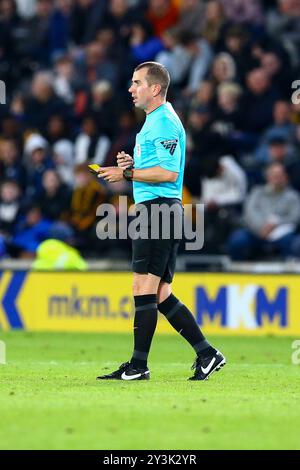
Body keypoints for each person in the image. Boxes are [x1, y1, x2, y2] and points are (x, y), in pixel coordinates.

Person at [96, 61, 226, 381]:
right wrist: (133, 163)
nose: (131, 88)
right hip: (153, 209)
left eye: (137, 82)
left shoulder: (165, 121)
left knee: (144, 286)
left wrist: (127, 173)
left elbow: (168, 174)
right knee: (159, 292)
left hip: (160, 211)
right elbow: (155, 168)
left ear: (155, 89)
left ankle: (139, 366)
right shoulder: (153, 122)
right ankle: (207, 353)